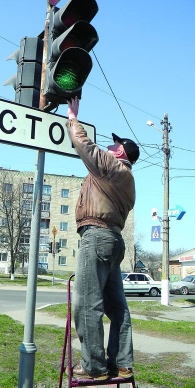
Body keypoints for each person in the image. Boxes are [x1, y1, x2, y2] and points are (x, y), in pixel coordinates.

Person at [65, 97, 140, 381]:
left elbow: (85, 146)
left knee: (87, 304)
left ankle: (94, 366)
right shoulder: (126, 178)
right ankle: (122, 363)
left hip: (96, 237)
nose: (107, 147)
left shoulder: (113, 166)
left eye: (112, 145)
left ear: (120, 151)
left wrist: (73, 117)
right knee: (116, 306)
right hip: (112, 241)